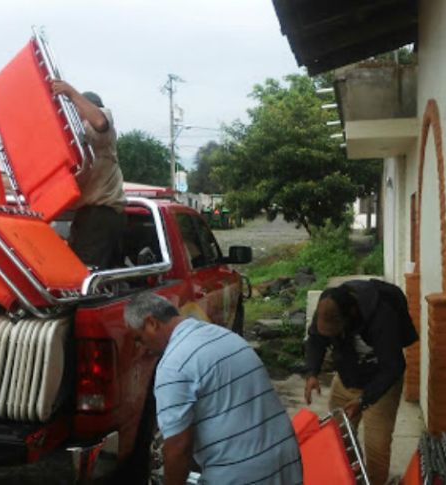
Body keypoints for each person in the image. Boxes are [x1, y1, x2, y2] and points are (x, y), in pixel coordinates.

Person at [124, 292, 303, 485]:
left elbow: (178, 448)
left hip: (243, 476)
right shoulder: (224, 336)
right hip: (288, 465)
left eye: (139, 338)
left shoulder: (173, 365)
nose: (141, 348)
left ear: (152, 323)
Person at [303, 279, 418, 485]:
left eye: (337, 330)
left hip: (380, 386)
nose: (335, 335)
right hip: (347, 378)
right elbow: (315, 339)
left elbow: (394, 366)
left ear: (352, 314)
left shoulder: (383, 315)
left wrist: (364, 400)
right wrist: (312, 373)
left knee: (377, 449)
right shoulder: (327, 303)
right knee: (337, 439)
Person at [50, 80, 126, 270]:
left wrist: (70, 92)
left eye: (77, 108)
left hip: (99, 215)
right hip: (100, 216)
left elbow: (100, 122)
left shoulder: (99, 122)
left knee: (85, 273)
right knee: (105, 274)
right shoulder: (79, 138)